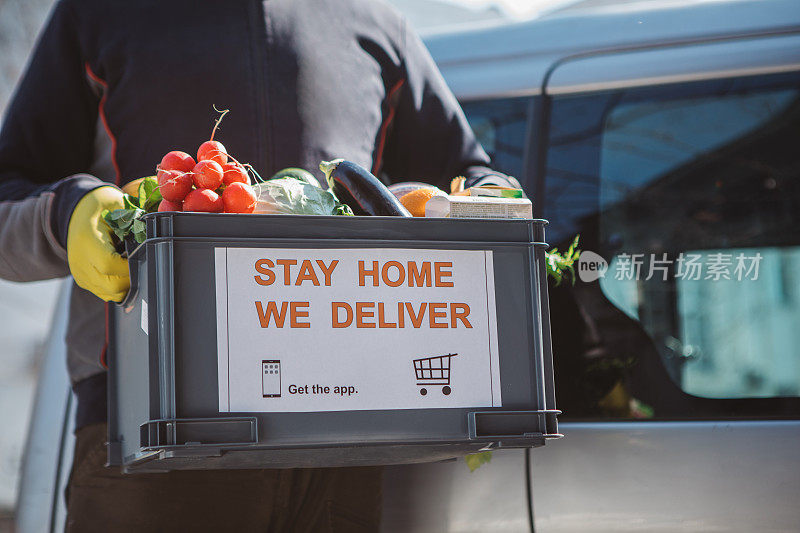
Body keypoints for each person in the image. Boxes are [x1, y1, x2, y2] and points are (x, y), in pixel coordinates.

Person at [0, 0, 516, 531]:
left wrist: (480, 204)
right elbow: (7, 193)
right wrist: (65, 213)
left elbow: (474, 178)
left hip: (343, 439)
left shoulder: (373, 21)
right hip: (152, 439)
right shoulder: (98, 15)